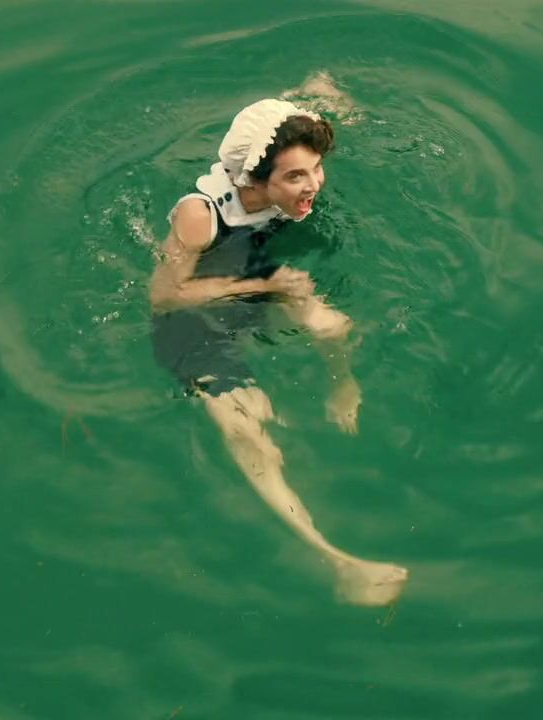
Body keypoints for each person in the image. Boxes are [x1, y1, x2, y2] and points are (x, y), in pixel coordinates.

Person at [149, 97, 408, 606]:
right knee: (249, 435)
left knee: (333, 326)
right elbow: (163, 295)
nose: (313, 185)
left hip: (256, 277)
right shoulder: (199, 215)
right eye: (295, 177)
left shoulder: (278, 150)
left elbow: (306, 112)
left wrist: (328, 95)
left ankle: (343, 388)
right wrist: (261, 286)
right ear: (254, 178)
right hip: (194, 325)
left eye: (316, 169)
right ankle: (340, 563)